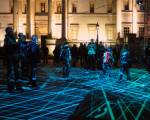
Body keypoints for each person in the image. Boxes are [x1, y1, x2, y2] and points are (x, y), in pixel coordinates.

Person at [4, 27, 23, 91]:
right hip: (11, 58)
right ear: (8, 32)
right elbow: (13, 46)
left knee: (17, 72)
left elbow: (16, 47)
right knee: (11, 73)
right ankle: (11, 87)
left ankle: (18, 86)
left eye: (12, 30)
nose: (12, 32)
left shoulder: (13, 38)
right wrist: (20, 40)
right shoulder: (7, 39)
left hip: (15, 58)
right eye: (10, 31)